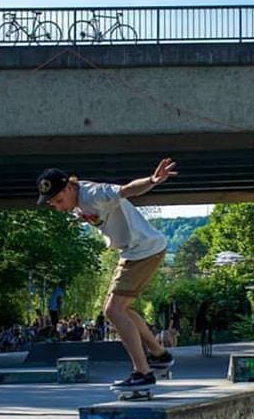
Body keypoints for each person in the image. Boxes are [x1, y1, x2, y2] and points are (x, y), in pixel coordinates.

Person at [36, 158, 177, 389]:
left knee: (113, 310)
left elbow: (126, 190)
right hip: (135, 252)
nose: (59, 208)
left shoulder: (93, 193)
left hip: (142, 250)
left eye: (60, 201)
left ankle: (143, 372)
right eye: (54, 205)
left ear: (70, 187)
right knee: (123, 310)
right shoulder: (75, 201)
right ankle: (159, 354)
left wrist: (152, 180)